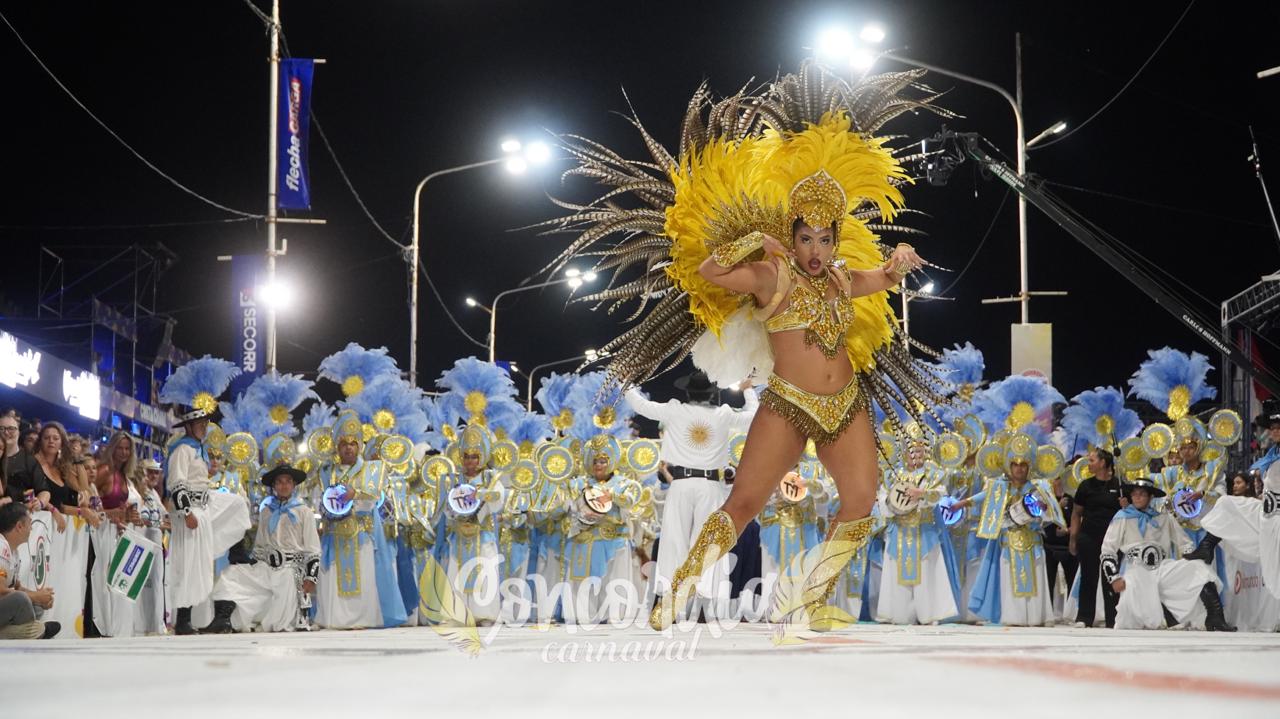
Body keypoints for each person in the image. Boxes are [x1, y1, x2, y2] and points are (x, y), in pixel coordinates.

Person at [624, 373, 757, 622]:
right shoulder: (723, 414)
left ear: (688, 393)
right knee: (707, 544)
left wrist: (627, 384)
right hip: (710, 485)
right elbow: (753, 417)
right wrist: (748, 389)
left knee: (674, 541)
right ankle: (704, 608)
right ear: (712, 393)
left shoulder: (675, 411)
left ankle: (670, 603)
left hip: (682, 484)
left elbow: (642, 406)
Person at [157, 356, 252, 635]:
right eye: (199, 423)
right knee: (187, 566)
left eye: (205, 422)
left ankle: (237, 550)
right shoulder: (182, 450)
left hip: (203, 505)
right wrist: (186, 513)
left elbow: (198, 482)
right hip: (191, 513)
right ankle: (183, 621)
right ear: (188, 426)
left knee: (236, 502)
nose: (204, 426)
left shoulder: (197, 450)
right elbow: (176, 484)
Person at [1101, 476, 1233, 631]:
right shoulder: (1121, 517)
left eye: (1142, 494)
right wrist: (1114, 578)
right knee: (1134, 619)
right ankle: (1169, 618)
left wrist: (1189, 559)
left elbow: (1185, 544)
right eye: (1134, 494)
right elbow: (1107, 550)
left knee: (1198, 568)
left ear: (1151, 497)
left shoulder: (1164, 517)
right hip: (1137, 572)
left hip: (1162, 568)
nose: (1137, 497)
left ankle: (1215, 617)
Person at [205, 458, 320, 633]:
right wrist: (252, 565)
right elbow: (259, 547)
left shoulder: (304, 512)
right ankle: (225, 618)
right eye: (279, 482)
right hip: (266, 568)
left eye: (288, 482)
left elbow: (313, 548)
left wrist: (311, 578)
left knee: (280, 621)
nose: (284, 486)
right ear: (274, 485)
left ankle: (267, 617)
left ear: (294, 485)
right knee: (232, 574)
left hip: (290, 571)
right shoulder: (267, 512)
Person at [1192, 399, 1280, 601]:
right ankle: (1207, 546)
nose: (1274, 432)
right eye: (1273, 428)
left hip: (1277, 516)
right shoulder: (1272, 454)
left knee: (1276, 567)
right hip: (1266, 513)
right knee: (1226, 504)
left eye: (1278, 428)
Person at [1070, 448, 1124, 627]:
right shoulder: (1085, 486)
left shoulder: (1120, 486)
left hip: (1113, 540)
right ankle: (1084, 617)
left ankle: (1113, 619)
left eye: (1092, 460)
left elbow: (1129, 515)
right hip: (1088, 537)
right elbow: (1076, 513)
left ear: (1103, 463)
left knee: (1111, 577)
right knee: (1088, 577)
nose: (1089, 463)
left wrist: (1126, 504)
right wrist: (1073, 538)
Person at [0, 503, 60, 639]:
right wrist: (35, 596)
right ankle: (34, 632)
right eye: (30, 524)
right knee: (21, 599)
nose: (31, 528)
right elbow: (1, 590)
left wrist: (39, 597)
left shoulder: (13, 552)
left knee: (36, 604)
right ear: (19, 526)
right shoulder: (0, 546)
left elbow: (17, 587)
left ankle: (18, 633)